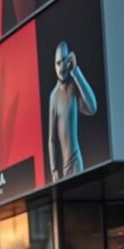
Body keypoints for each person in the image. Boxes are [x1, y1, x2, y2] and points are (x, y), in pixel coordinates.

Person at [48, 41, 97, 181]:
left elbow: (92, 108)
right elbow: (51, 139)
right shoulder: (53, 96)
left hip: (76, 161)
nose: (61, 66)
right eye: (58, 63)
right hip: (63, 170)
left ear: (69, 59)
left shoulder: (74, 86)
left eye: (64, 60)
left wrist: (76, 72)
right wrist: (53, 169)